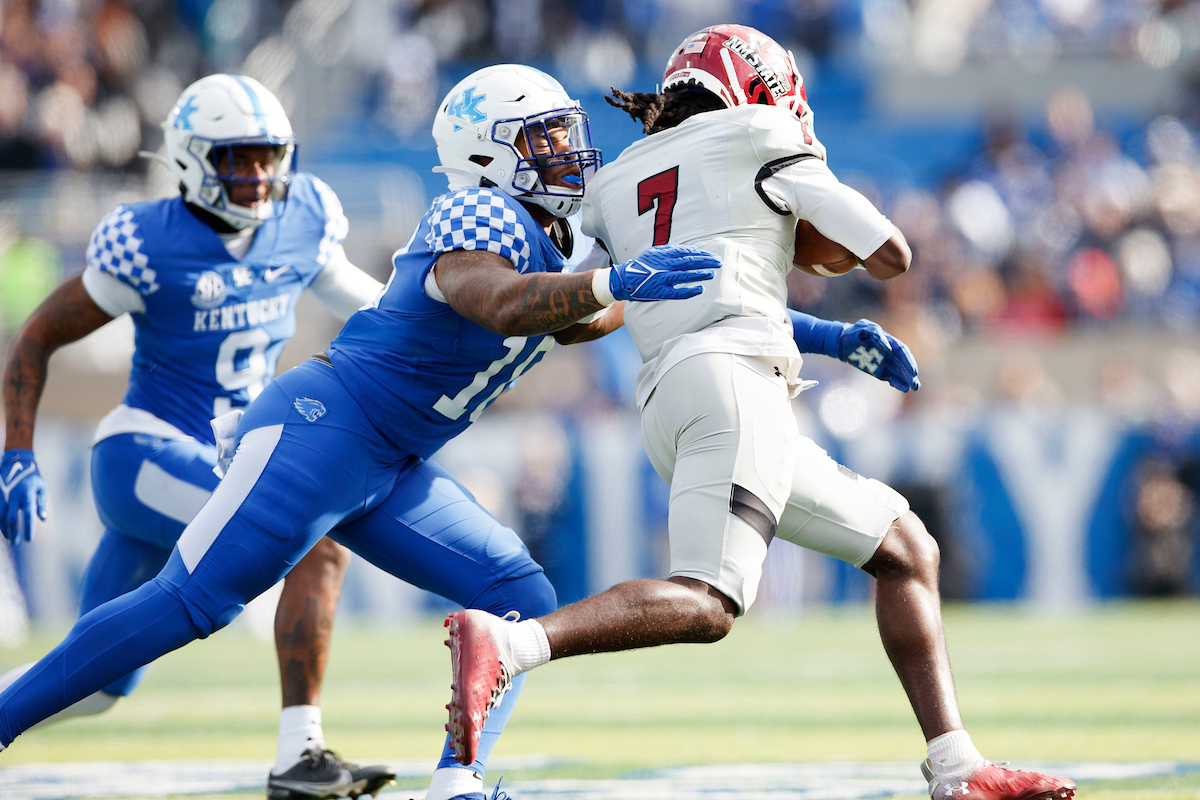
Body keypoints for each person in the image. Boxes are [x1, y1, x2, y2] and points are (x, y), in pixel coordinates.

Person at [0, 64, 719, 800]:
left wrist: (646, 279)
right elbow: (501, 303)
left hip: (391, 461)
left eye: (568, 133)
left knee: (518, 592)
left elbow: (575, 320)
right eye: (545, 137)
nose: (567, 151)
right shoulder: (473, 214)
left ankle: (456, 782)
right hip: (325, 430)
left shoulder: (555, 232)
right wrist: (613, 280)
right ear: (485, 154)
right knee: (190, 605)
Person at [445, 26, 1077, 800]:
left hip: (679, 398)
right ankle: (512, 645)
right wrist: (806, 207)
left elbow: (584, 318)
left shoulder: (619, 179)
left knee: (905, 546)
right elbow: (889, 253)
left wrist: (825, 333)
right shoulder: (764, 132)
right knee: (708, 603)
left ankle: (958, 768)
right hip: (736, 389)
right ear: (753, 85)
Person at [0, 74, 398, 799]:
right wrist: (17, 452)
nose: (255, 177)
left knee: (98, 683)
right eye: (235, 159)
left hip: (226, 458)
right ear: (188, 160)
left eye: (267, 157)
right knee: (312, 534)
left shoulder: (303, 217)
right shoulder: (151, 241)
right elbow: (36, 336)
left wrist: (467, 313)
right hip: (143, 454)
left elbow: (367, 301)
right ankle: (298, 755)